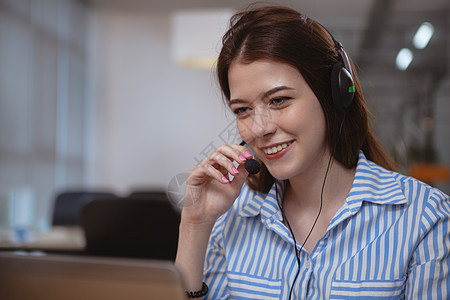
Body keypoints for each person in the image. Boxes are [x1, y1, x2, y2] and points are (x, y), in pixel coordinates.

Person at [175, 5, 450, 299]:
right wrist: (195, 223)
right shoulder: (233, 216)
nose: (258, 129)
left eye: (279, 100)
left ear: (333, 95)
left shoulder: (424, 217)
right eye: (243, 110)